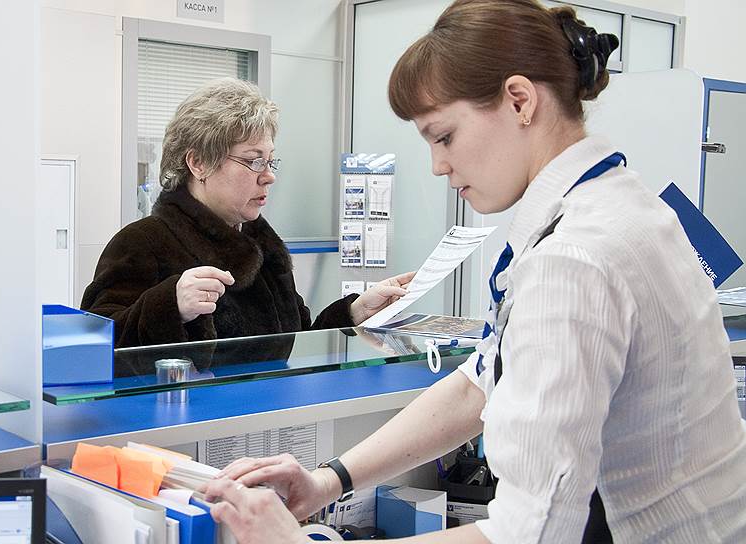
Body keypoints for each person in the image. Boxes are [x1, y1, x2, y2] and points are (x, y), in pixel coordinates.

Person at [203, 1, 746, 542]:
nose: (437, 165)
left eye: (443, 137)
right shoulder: (613, 205)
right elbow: (479, 385)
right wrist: (329, 481)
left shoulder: (575, 256)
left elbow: (531, 532)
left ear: (519, 100)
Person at [81, 78, 412, 348]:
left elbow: (296, 338)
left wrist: (354, 312)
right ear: (198, 163)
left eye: (270, 161)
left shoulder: (263, 244)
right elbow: (94, 346)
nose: (268, 176)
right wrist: (170, 305)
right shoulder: (142, 243)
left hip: (274, 411)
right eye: (253, 161)